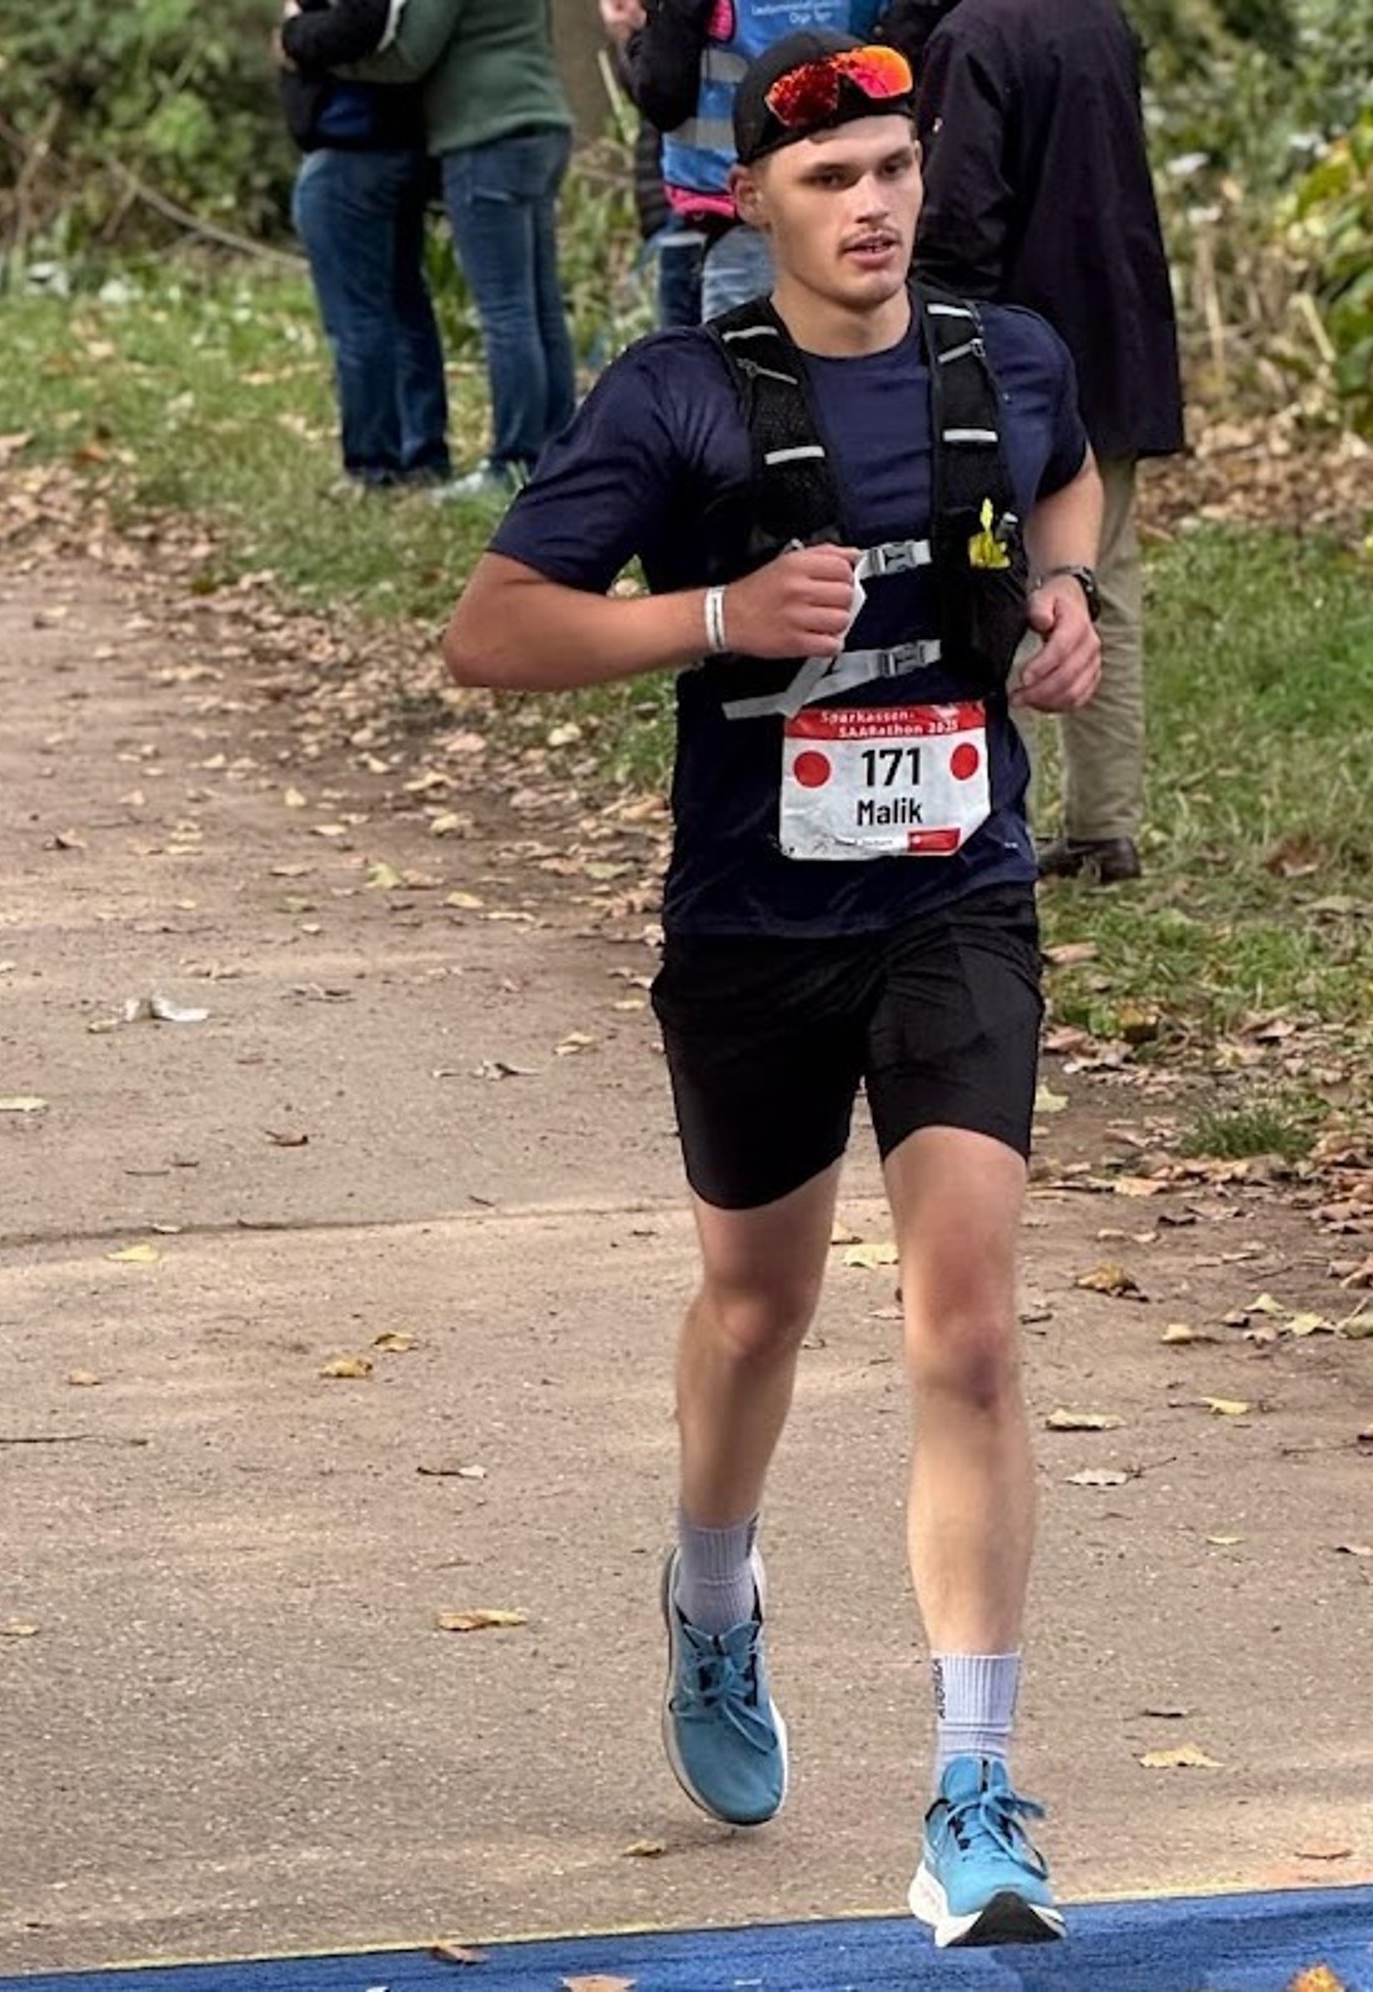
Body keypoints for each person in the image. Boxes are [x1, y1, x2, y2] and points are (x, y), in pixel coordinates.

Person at [443, 30, 1103, 1946]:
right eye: (833, 180)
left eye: (894, 169)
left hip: (957, 899)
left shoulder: (1008, 360)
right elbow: (490, 633)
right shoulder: (678, 402)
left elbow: (1061, 494)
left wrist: (1069, 606)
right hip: (752, 921)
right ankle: (712, 1594)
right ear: (755, 201)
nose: (876, 205)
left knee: (968, 1326)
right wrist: (713, 616)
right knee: (757, 1308)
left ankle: (977, 1788)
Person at [912, 0, 1183, 883]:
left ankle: (992, 816)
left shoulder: (973, 37)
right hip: (1114, 340)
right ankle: (1105, 823)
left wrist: (934, 345)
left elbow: (958, 219)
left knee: (998, 578)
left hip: (1015, 356)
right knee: (1103, 577)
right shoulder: (1098, 18)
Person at [332, 0, 577, 501]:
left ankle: (513, 462)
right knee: (541, 305)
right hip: (543, 121)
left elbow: (409, 55)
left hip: (485, 133)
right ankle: (558, 454)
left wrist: (330, 62)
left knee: (506, 310)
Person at [276, 0, 451, 489]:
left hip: (352, 148)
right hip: (392, 146)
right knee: (402, 306)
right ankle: (422, 454)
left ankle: (373, 463)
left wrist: (292, 36)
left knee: (358, 319)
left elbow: (361, 22)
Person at [626, 0, 888, 320]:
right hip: (831, 197)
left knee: (733, 362)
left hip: (730, 205)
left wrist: (635, 35)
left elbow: (661, 95)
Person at [598, 0, 705, 328]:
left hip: (688, 202)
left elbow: (660, 95)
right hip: (685, 198)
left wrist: (636, 32)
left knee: (684, 352)